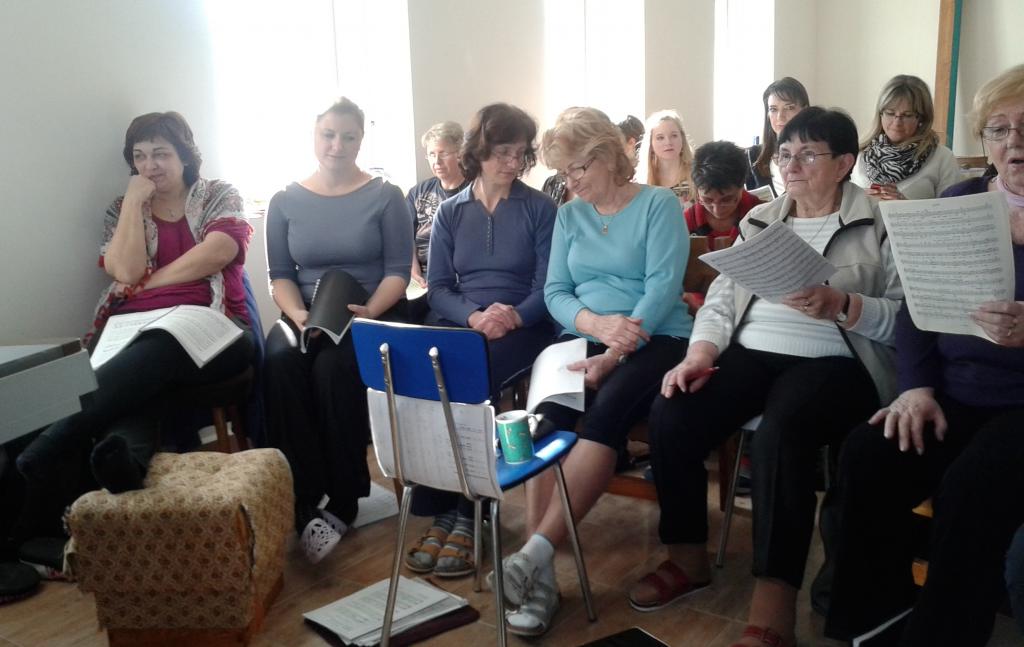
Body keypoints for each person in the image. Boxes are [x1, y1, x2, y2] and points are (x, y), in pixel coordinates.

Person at [636, 107, 902, 647]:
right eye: (785, 154)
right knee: (673, 410)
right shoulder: (761, 220)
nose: (791, 165)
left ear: (844, 163)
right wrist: (699, 354)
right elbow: (720, 300)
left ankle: (773, 605)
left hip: (837, 360)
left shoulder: (881, 223)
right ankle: (687, 557)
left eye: (807, 154)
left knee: (783, 433)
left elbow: (907, 321)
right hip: (753, 351)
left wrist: (844, 304)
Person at [823, 64, 1024, 647]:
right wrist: (915, 387)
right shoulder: (959, 202)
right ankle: (872, 623)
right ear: (985, 140)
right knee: (868, 454)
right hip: (954, 394)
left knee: (970, 487)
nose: (1014, 143)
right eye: (999, 129)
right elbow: (915, 307)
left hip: (1020, 408)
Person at [14, 112, 256, 564]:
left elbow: (219, 252)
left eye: (160, 154)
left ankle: (52, 441)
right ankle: (125, 461)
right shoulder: (121, 208)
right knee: (137, 375)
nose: (150, 166)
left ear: (185, 157)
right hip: (134, 330)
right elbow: (124, 270)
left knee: (160, 346)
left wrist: (151, 281)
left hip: (216, 328)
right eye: (140, 157)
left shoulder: (218, 194)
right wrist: (131, 203)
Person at [493, 107, 691, 637]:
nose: (571, 181)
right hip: (583, 335)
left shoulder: (658, 205)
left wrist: (617, 349)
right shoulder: (569, 215)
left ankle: (533, 555)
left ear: (607, 156)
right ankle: (541, 581)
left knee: (604, 417)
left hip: (656, 336)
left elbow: (662, 287)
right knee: (545, 421)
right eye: (564, 172)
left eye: (579, 168)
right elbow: (556, 291)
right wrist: (595, 324)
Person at [405, 103, 556, 578]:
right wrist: (474, 316)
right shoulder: (451, 212)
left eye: (520, 153)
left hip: (525, 325)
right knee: (424, 370)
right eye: (502, 152)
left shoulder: (540, 208)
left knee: (470, 374)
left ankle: (473, 511)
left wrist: (513, 315)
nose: (513, 163)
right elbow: (438, 288)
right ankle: (445, 507)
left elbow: (549, 287)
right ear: (479, 152)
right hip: (465, 319)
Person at [263, 97, 412, 563]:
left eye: (349, 136)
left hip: (367, 311)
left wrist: (369, 310)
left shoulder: (385, 195)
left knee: (332, 370)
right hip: (304, 314)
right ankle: (303, 495)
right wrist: (296, 313)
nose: (337, 145)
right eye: (328, 134)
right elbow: (279, 275)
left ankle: (345, 496)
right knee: (280, 365)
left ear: (361, 140)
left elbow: (398, 272)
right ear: (314, 136)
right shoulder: (284, 200)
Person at [682, 140, 764, 311]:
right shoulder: (686, 221)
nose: (717, 209)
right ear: (697, 190)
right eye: (707, 200)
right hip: (699, 308)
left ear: (742, 186)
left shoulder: (762, 215)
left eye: (727, 199)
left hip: (750, 306)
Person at [851, 74, 961, 200]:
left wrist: (904, 205)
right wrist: (859, 201)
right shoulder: (859, 155)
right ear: (880, 114)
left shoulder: (942, 158)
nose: (897, 122)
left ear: (922, 118)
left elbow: (951, 210)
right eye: (890, 113)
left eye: (907, 115)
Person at [406, 121, 469, 298]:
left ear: (460, 154)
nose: (437, 161)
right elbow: (404, 235)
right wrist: (413, 270)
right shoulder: (418, 192)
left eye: (443, 154)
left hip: (458, 276)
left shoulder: (476, 191)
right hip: (422, 276)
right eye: (431, 154)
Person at [746, 77, 810, 198]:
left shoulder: (816, 154)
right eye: (773, 109)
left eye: (789, 107)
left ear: (805, 110)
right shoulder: (753, 156)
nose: (780, 116)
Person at [638, 109, 695, 207]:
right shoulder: (641, 182)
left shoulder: (697, 176)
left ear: (682, 139)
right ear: (651, 144)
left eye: (674, 136)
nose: (668, 142)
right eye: (660, 138)